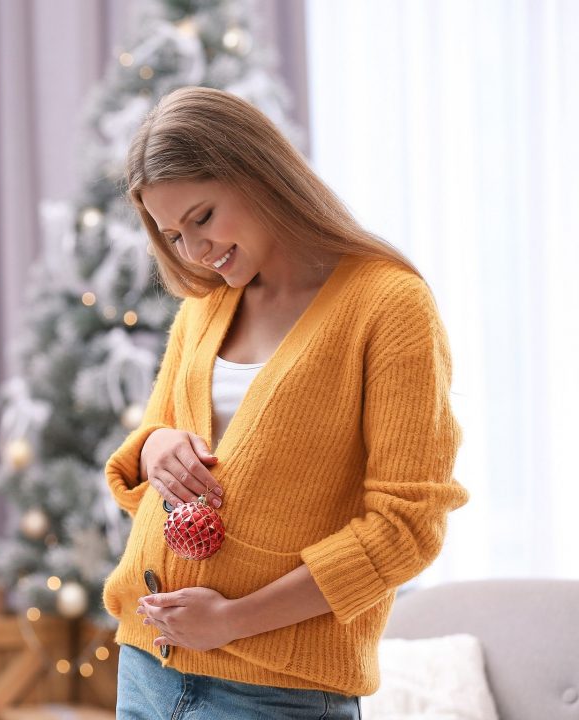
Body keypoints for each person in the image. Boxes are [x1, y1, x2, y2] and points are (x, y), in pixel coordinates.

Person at [102, 86, 470, 719]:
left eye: (202, 217)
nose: (194, 252)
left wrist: (235, 620)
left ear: (259, 174)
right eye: (172, 234)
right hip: (147, 667)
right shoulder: (207, 304)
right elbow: (150, 459)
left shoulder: (387, 305)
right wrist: (156, 446)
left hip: (276, 692)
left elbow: (407, 528)